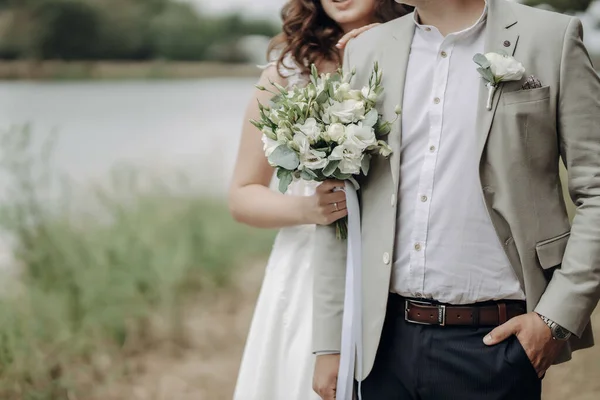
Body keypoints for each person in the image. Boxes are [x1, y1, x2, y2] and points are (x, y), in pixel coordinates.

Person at [312, 0, 600, 399]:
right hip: (381, 344)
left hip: (495, 345)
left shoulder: (552, 38)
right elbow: (339, 201)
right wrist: (331, 341)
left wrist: (553, 319)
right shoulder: (367, 50)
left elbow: (596, 190)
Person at [229, 1, 410, 399]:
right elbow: (242, 196)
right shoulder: (287, 72)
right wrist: (309, 209)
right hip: (308, 271)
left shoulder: (418, 54)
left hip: (399, 264)